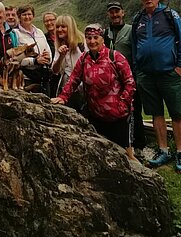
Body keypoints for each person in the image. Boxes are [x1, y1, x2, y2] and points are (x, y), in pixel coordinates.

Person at [51, 24, 136, 160]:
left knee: (125, 155)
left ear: (102, 39)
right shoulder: (84, 59)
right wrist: (63, 97)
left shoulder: (115, 57)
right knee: (101, 154)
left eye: (96, 37)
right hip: (95, 115)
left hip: (118, 117)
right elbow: (74, 79)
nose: (92, 41)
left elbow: (130, 83)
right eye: (89, 38)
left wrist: (122, 104)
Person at [131, 0, 181, 173]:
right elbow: (134, 45)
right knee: (156, 113)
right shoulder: (138, 18)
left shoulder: (170, 15)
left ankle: (180, 152)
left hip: (169, 73)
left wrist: (180, 66)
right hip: (147, 75)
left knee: (177, 113)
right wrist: (138, 69)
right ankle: (163, 150)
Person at [104, 1, 146, 159]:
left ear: (123, 12)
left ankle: (139, 145)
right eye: (111, 12)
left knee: (135, 111)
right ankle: (120, 143)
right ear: (108, 14)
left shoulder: (131, 31)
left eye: (117, 11)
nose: (114, 15)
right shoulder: (104, 33)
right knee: (115, 112)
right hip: (111, 82)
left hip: (131, 79)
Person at [14, 5, 52, 94]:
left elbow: (47, 50)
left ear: (33, 16)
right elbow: (15, 59)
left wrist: (47, 57)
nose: (27, 17)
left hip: (43, 76)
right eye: (24, 15)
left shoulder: (39, 32)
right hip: (27, 78)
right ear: (19, 17)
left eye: (29, 14)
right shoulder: (15, 34)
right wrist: (34, 61)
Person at [51, 15, 86, 99]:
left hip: (82, 84)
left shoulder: (82, 43)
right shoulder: (59, 44)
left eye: (63, 27)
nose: (59, 30)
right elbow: (55, 70)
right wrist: (61, 56)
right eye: (57, 27)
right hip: (65, 83)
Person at [43, 11, 60, 97]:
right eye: (46, 21)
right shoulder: (43, 38)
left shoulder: (63, 36)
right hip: (51, 76)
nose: (49, 23)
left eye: (51, 20)